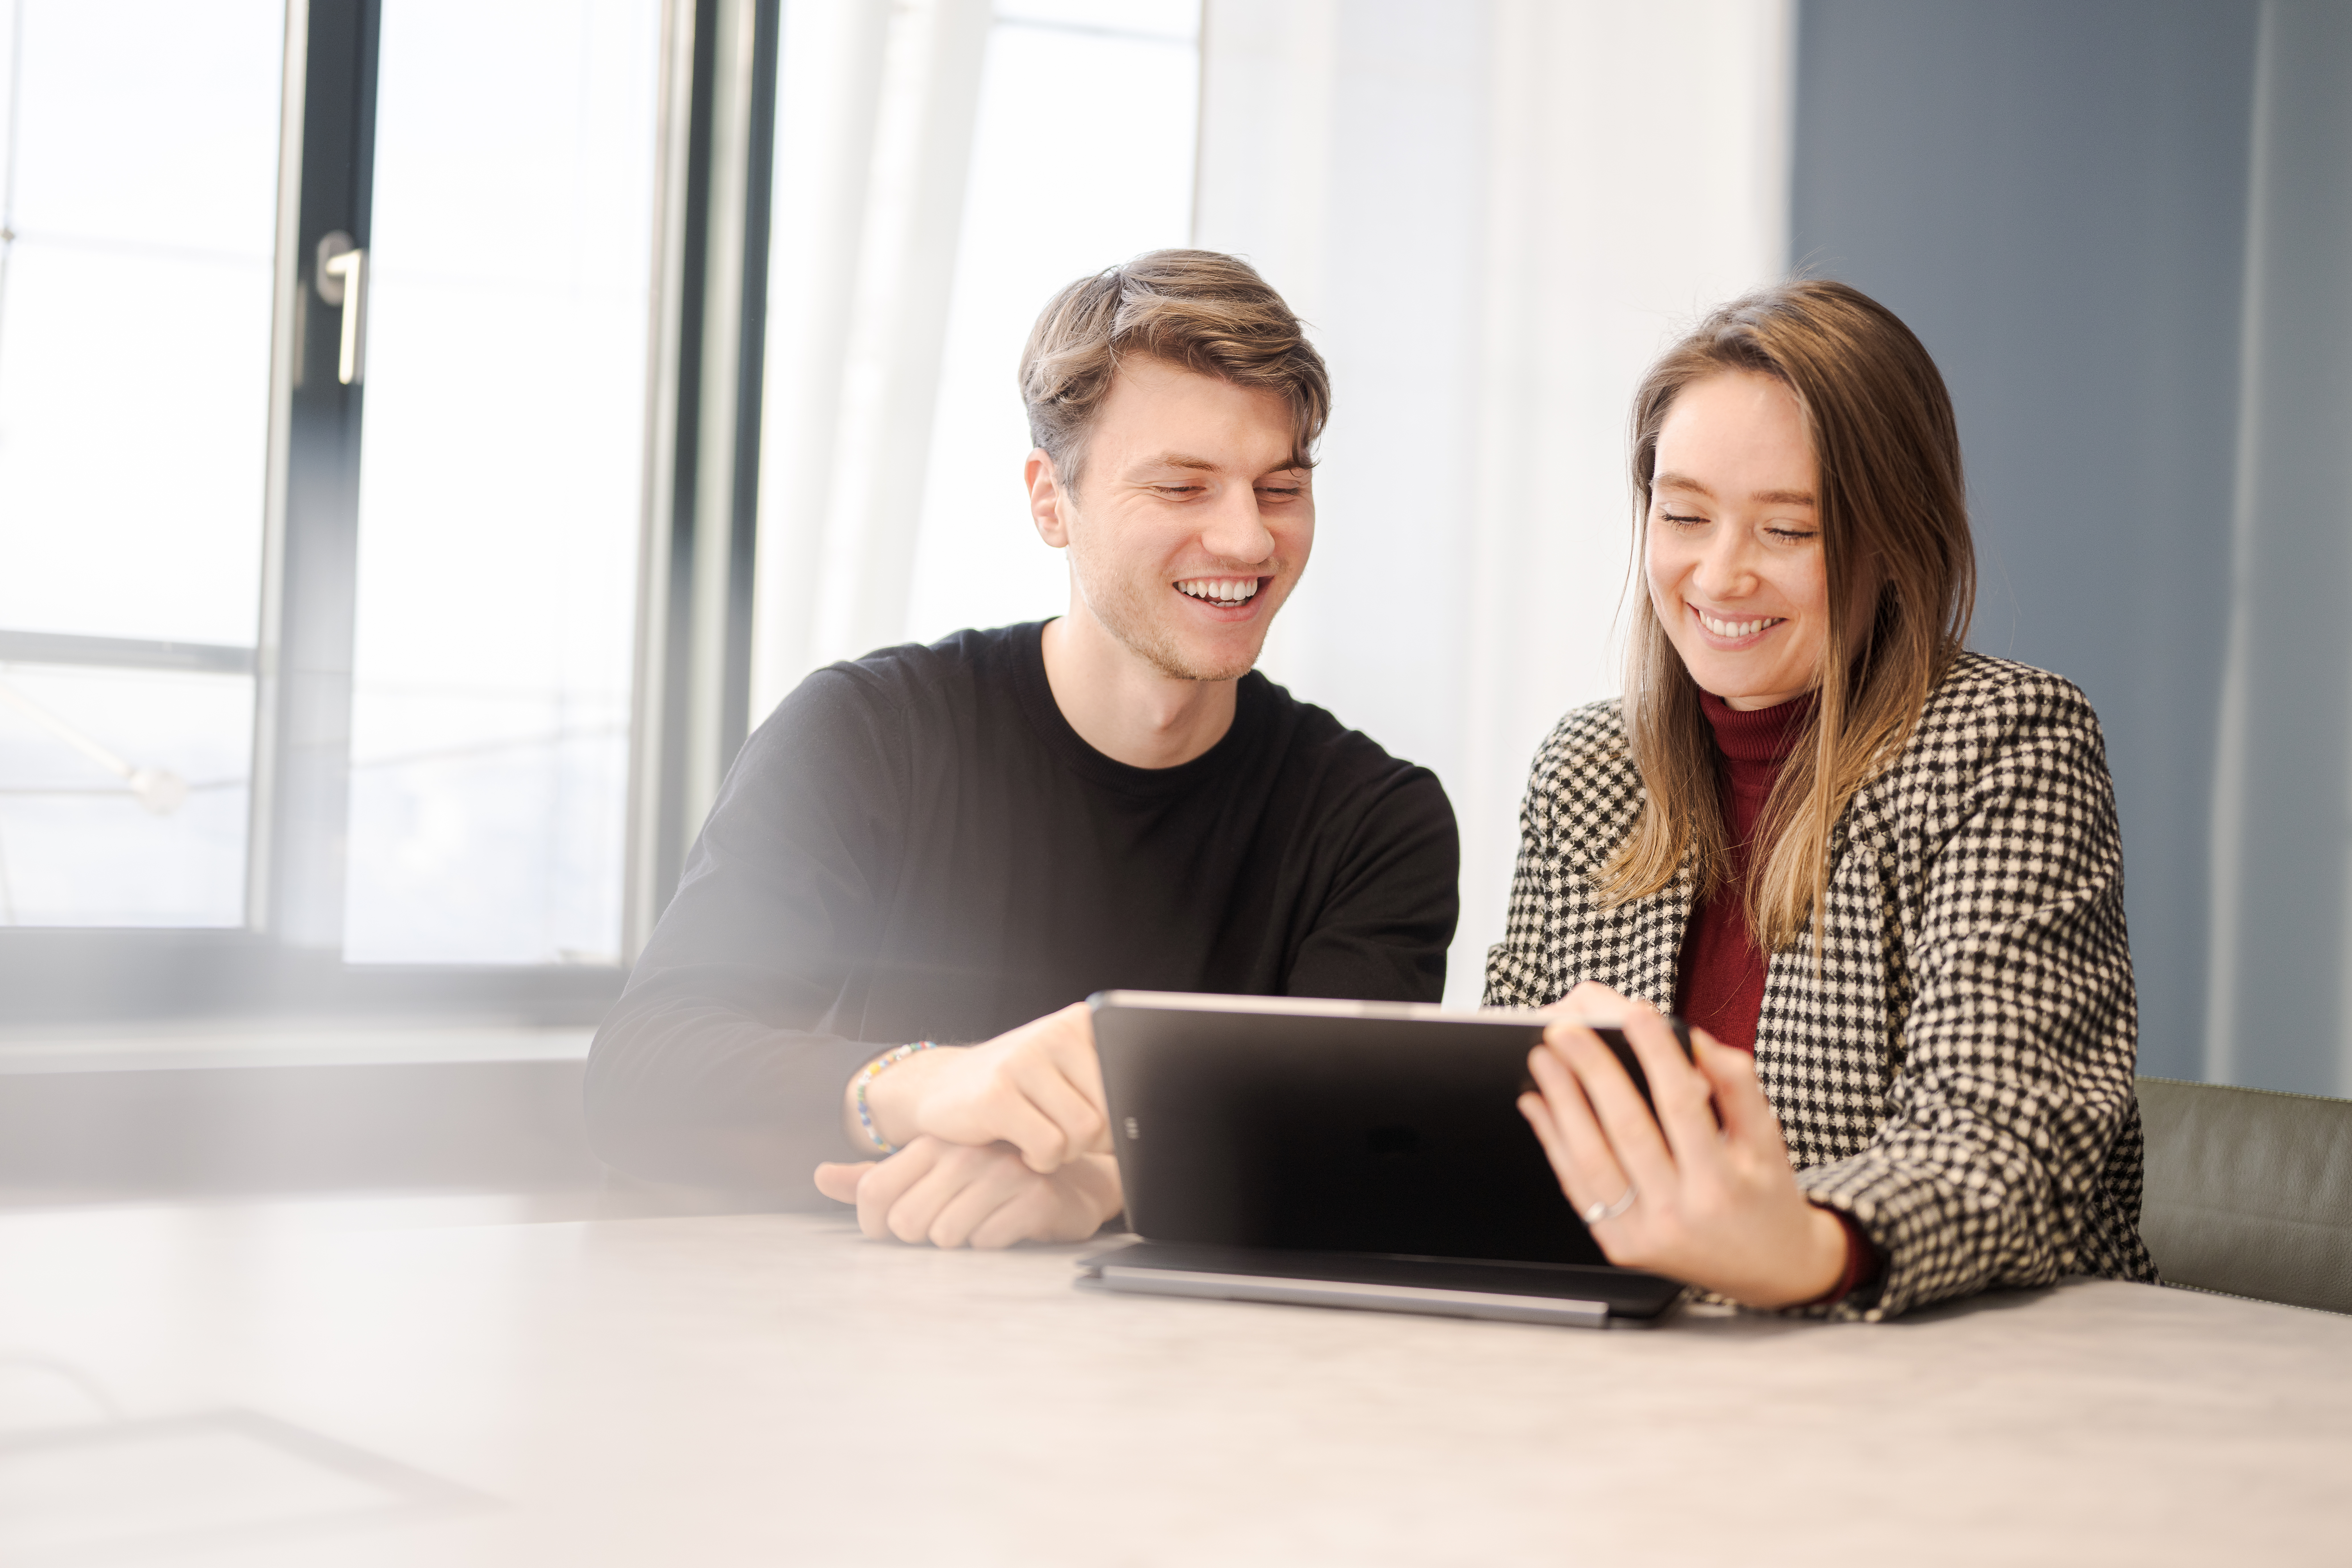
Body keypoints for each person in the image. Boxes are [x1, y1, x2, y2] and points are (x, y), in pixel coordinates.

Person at [585, 250, 1459, 1247]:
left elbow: (1348, 1147)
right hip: (865, 1343)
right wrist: (933, 1084)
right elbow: (641, 1077)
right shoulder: (869, 734)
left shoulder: (1378, 821)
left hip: (1210, 1374)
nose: (1248, 541)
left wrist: (1102, 1185)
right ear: (1051, 500)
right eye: (1182, 487)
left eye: (1279, 487)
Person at [1489, 279, 2154, 1319]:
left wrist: (1804, 1246)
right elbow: (1512, 1111)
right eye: (1685, 516)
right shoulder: (1588, 769)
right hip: (1649, 1364)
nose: (1719, 574)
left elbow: (2008, 1141)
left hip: (1966, 1370)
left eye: (1788, 531)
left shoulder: (2005, 745)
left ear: (1894, 540)